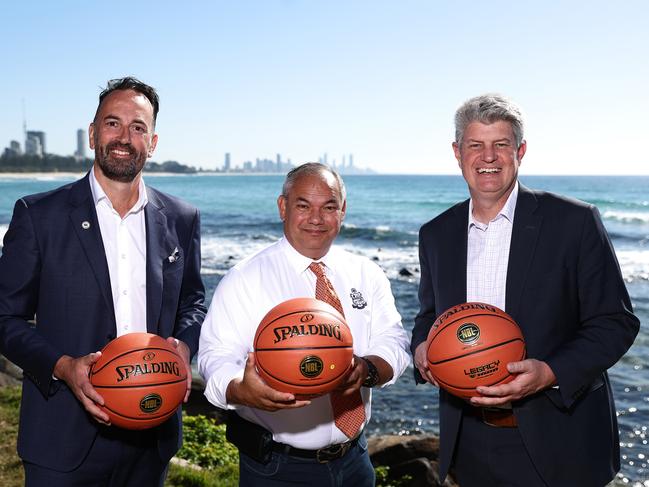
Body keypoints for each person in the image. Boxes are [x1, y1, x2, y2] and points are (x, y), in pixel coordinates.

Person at [411, 94, 640, 486]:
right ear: (457, 152)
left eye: (500, 144)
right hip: (468, 440)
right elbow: (429, 316)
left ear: (520, 151)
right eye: (475, 145)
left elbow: (615, 322)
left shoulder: (575, 222)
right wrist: (421, 349)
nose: (488, 157)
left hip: (559, 438)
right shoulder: (435, 233)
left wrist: (549, 372)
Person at [0, 77, 206, 486]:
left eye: (137, 127)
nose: (124, 137)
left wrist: (183, 347)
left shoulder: (182, 218)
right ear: (93, 134)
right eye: (113, 123)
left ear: (154, 141)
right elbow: (5, 318)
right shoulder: (39, 215)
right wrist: (63, 367)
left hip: (152, 430)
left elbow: (193, 302)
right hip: (62, 438)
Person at [198, 163, 410, 486]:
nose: (316, 219)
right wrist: (242, 390)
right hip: (278, 468)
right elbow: (214, 357)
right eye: (303, 206)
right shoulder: (244, 278)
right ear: (283, 207)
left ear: (343, 211)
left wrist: (366, 370)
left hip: (355, 460)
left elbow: (394, 342)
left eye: (329, 207)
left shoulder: (367, 273)